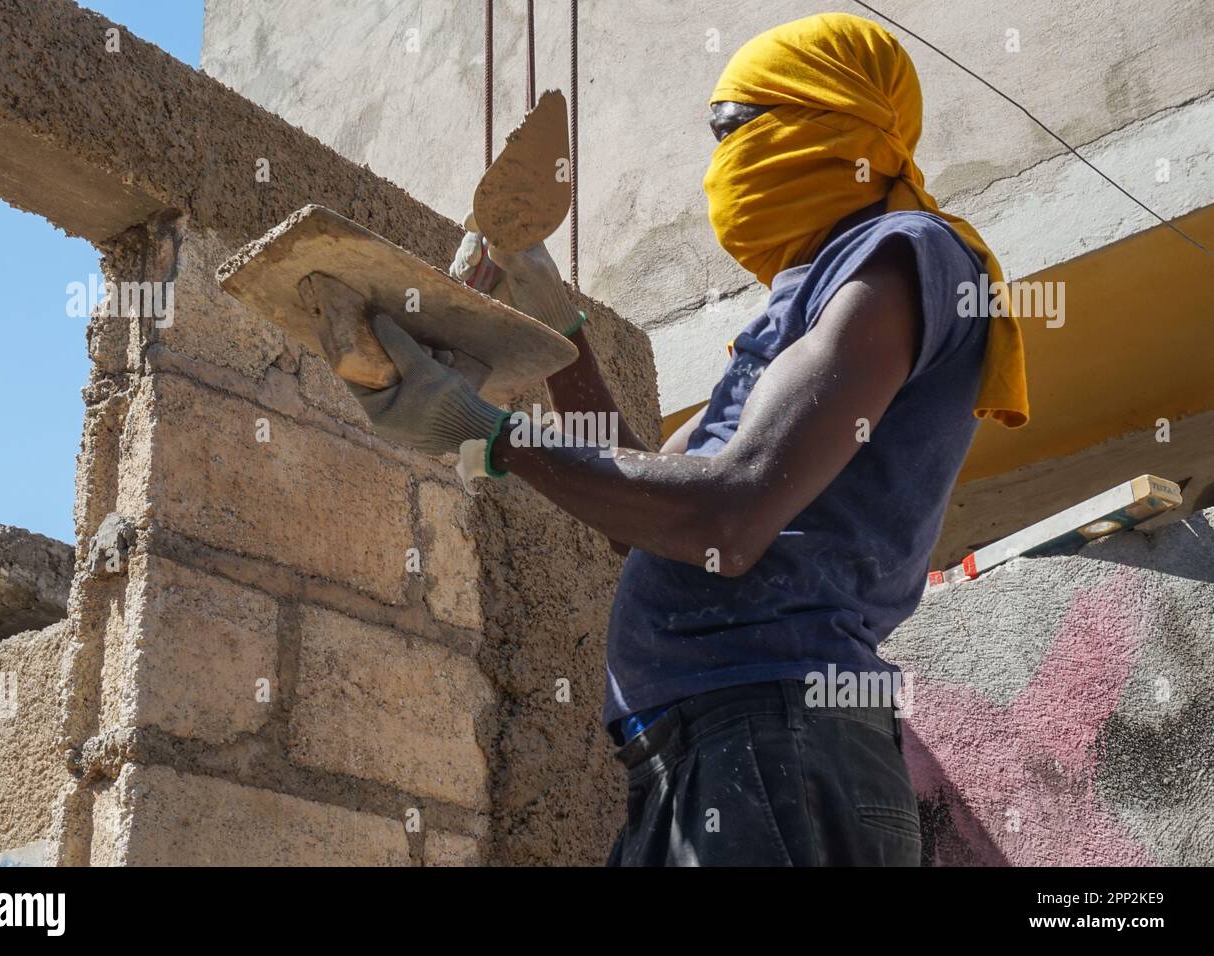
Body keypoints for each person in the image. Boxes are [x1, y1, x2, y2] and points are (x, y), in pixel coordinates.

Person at [349, 12, 1028, 866]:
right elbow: (646, 509)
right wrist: (560, 325)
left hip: (772, 733)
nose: (718, 163)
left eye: (731, 129)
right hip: (710, 744)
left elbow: (727, 520)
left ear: (831, 122)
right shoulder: (812, 295)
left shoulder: (900, 255)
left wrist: (488, 435)